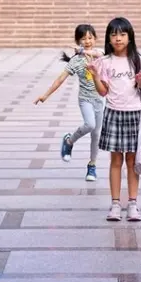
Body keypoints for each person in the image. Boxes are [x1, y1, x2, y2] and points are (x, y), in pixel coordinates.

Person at [89, 17, 141, 222]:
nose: (118, 38)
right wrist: (96, 76)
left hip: (134, 113)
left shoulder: (139, 61)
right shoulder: (104, 62)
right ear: (108, 37)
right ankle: (115, 204)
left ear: (130, 37)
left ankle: (133, 204)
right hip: (113, 113)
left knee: (132, 161)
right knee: (116, 160)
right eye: (114, 34)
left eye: (122, 34)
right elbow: (103, 92)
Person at [34, 24, 104, 181]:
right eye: (83, 38)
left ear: (95, 39)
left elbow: (97, 52)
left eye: (90, 38)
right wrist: (45, 95)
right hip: (85, 99)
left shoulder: (101, 55)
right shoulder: (75, 61)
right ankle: (69, 141)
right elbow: (60, 79)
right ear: (78, 40)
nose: (87, 41)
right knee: (90, 125)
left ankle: (92, 166)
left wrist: (84, 52)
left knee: (96, 135)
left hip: (100, 100)